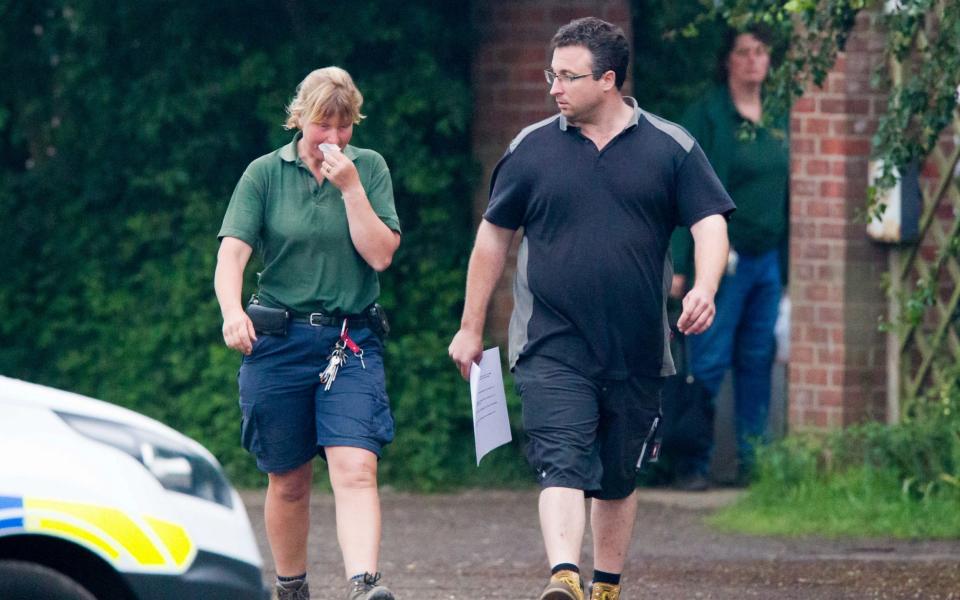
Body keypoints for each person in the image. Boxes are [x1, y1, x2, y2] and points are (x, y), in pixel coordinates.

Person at [448, 17, 734, 600]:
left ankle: (605, 585)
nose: (554, 87)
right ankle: (563, 576)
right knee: (561, 459)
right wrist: (470, 326)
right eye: (550, 74)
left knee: (616, 478)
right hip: (551, 341)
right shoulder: (531, 148)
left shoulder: (670, 146)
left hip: (637, 348)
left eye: (567, 76)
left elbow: (709, 223)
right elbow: (492, 238)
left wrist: (704, 285)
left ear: (607, 80)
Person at [214, 66, 401, 600]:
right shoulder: (264, 174)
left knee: (356, 464)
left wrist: (351, 190)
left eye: (345, 127)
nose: (335, 139)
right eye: (324, 126)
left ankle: (365, 585)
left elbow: (381, 254)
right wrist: (232, 310)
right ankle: (291, 586)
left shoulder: (369, 170)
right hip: (279, 341)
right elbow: (232, 253)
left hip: (351, 340)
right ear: (300, 120)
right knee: (289, 479)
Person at [669, 27, 790, 491]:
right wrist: (682, 265)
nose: (753, 61)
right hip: (720, 259)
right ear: (727, 61)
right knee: (709, 357)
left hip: (766, 259)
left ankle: (753, 462)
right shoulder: (707, 115)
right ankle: (692, 462)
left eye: (761, 52)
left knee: (759, 357)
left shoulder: (780, 115)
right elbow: (681, 190)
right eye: (744, 53)